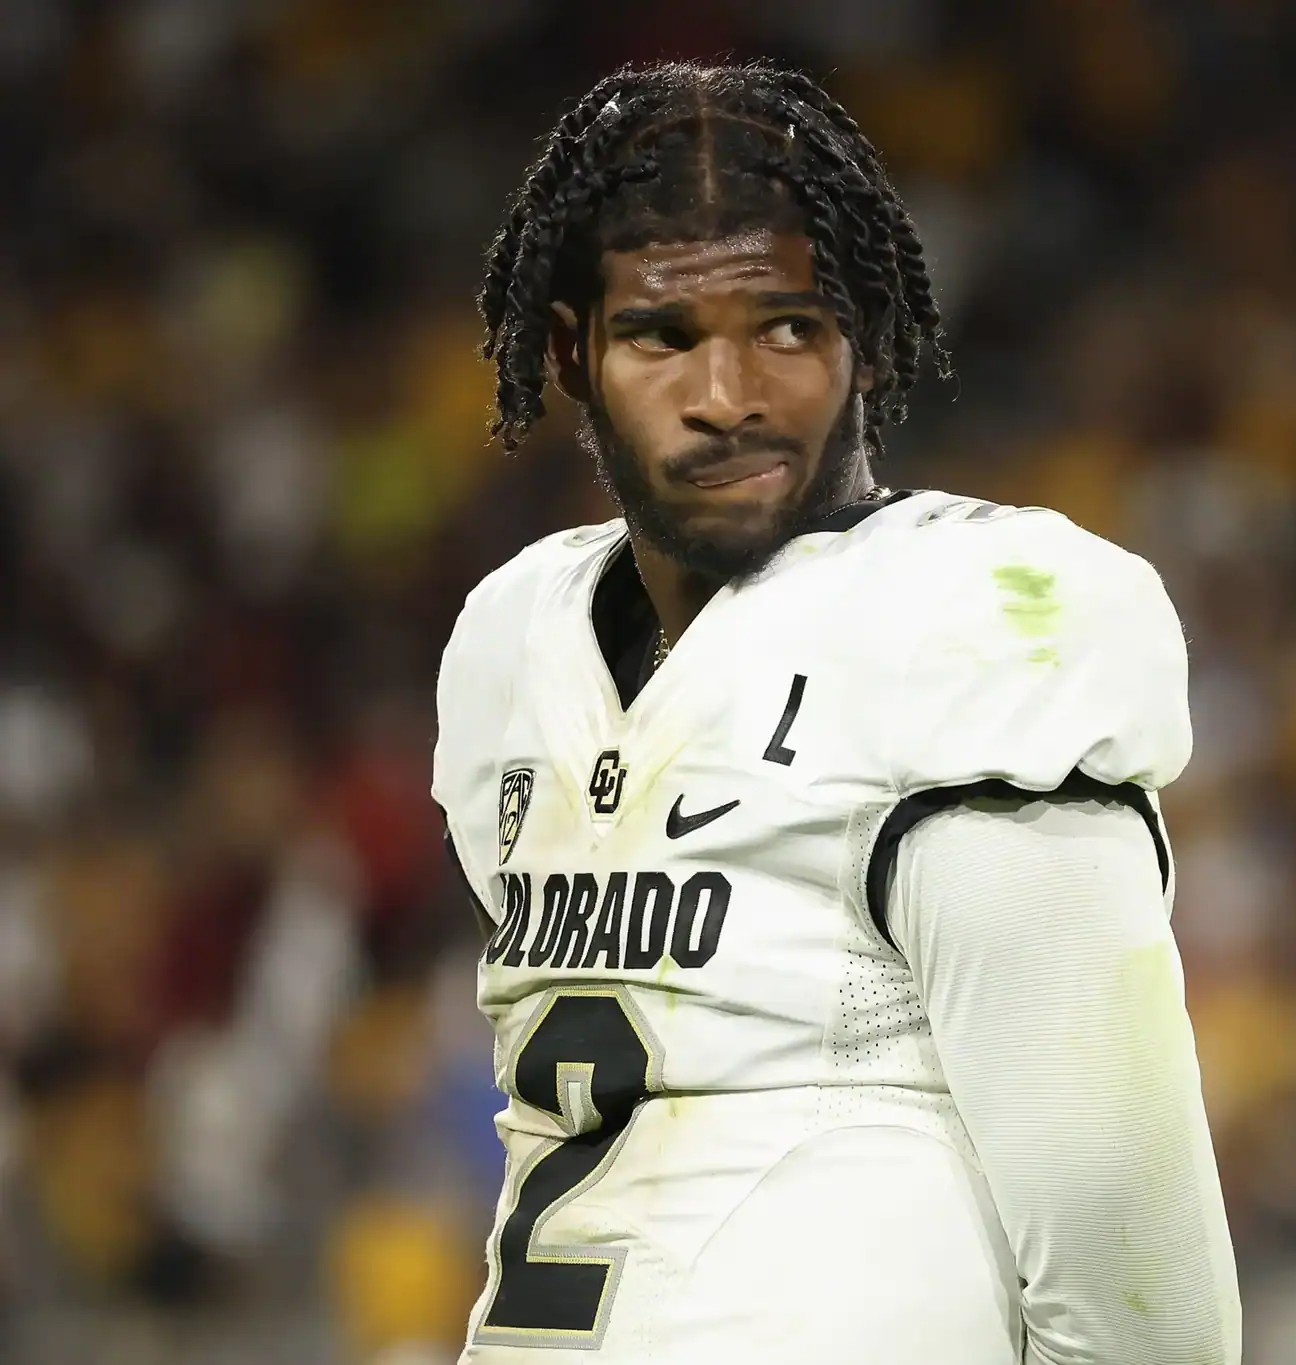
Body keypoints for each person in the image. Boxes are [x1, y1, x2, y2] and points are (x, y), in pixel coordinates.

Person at [431, 59, 1240, 1364]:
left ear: (863, 328)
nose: (729, 392)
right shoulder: (510, 641)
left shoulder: (967, 616)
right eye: (665, 335)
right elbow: (1138, 1274)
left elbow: (1109, 1193)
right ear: (570, 347)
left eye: (786, 326)